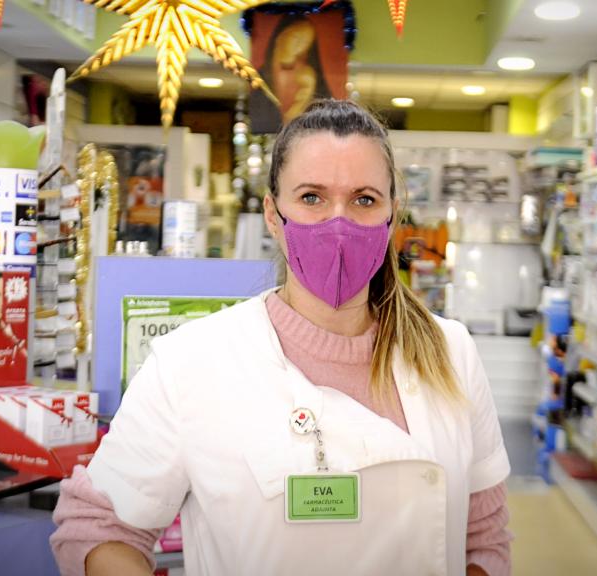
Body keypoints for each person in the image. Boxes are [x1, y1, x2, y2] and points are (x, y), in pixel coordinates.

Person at [51, 99, 513, 576]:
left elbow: (484, 539)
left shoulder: (451, 353)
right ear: (274, 214)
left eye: (364, 199)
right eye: (311, 197)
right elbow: (97, 528)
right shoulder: (192, 362)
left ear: (393, 216)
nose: (339, 223)